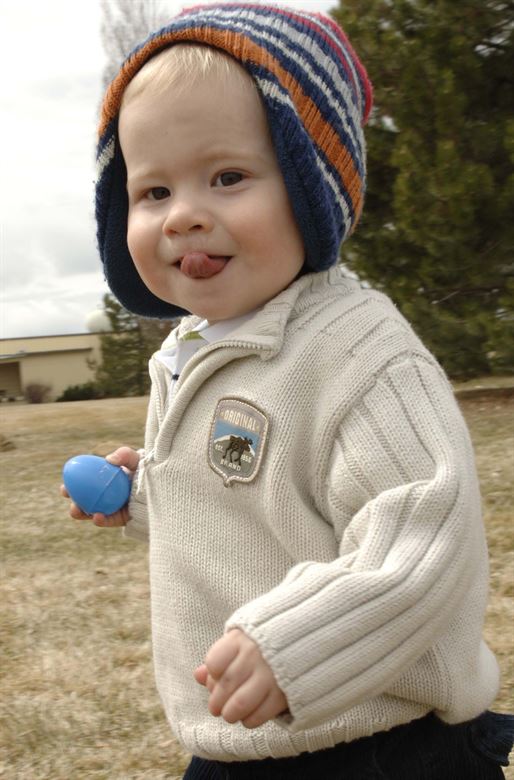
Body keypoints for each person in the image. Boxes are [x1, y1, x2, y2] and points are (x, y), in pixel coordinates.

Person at [63, 4, 514, 778]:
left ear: (311, 189)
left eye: (228, 177)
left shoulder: (358, 352)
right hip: (240, 738)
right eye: (154, 192)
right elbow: (248, 503)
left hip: (373, 742)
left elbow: (422, 538)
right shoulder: (195, 349)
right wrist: (145, 498)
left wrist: (301, 642)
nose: (185, 217)